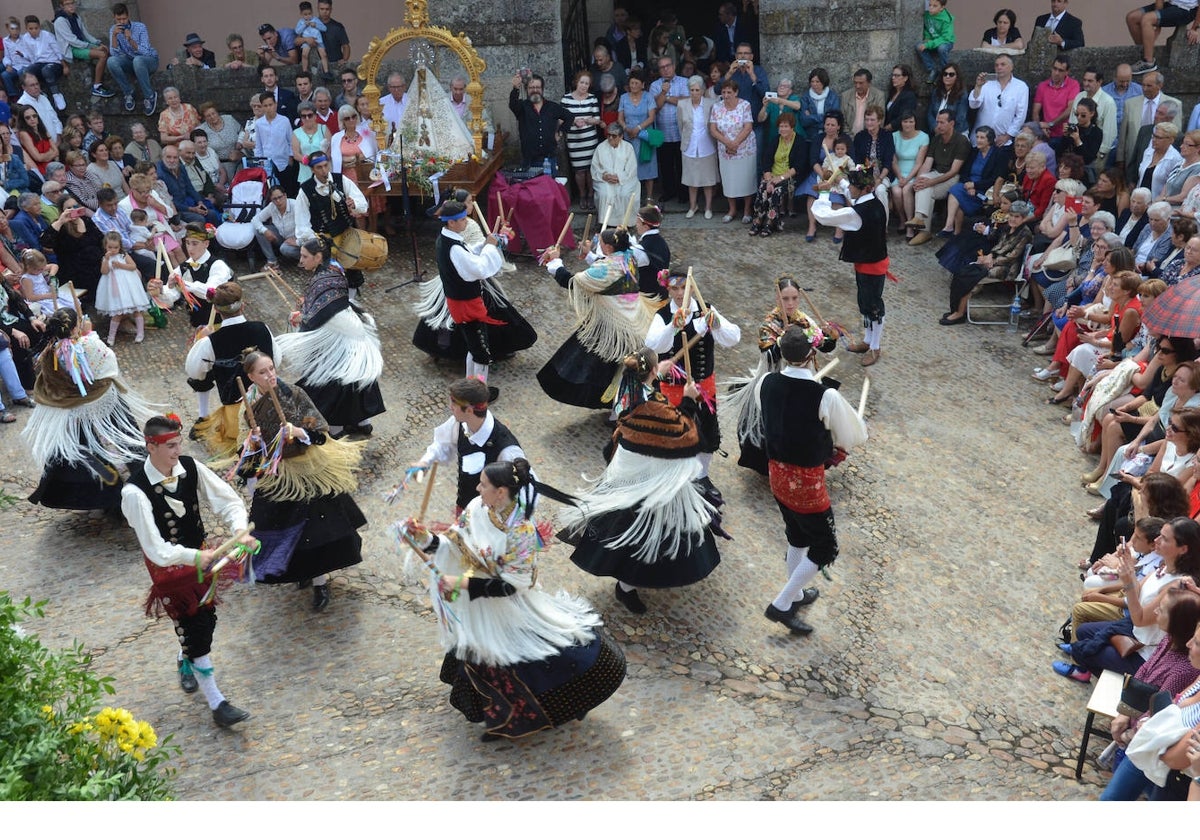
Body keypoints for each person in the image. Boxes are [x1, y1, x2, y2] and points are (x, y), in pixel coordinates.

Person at [404, 458, 626, 742]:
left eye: (484, 485)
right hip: (479, 606)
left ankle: (531, 712)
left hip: (510, 608)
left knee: (532, 660)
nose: (477, 487)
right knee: (489, 662)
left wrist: (459, 583)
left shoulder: (521, 532)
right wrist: (424, 538)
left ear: (501, 492)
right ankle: (497, 711)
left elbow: (511, 586)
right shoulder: (476, 508)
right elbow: (454, 543)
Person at [556, 347, 723, 614]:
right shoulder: (655, 406)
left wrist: (658, 373)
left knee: (629, 528)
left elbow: (648, 399)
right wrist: (689, 400)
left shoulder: (627, 391)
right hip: (649, 478)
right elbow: (685, 435)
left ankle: (629, 583)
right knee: (641, 535)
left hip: (627, 469)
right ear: (653, 370)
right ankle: (627, 586)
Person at [120, 413, 255, 728]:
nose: (176, 451)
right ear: (150, 446)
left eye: (178, 443)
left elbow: (229, 501)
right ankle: (217, 703)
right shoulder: (134, 493)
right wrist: (195, 557)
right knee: (194, 627)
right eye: (169, 446)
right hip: (169, 569)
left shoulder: (191, 468)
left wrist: (239, 530)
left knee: (205, 620)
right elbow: (156, 549)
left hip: (201, 558)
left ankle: (185, 659)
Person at [759, 323, 868, 635]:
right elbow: (853, 435)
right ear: (813, 356)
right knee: (825, 547)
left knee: (797, 535)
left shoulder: (767, 383)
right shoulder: (825, 396)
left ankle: (795, 594)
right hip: (806, 482)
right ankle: (781, 604)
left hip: (777, 475)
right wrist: (834, 444)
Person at [238, 348, 364, 611]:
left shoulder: (294, 394)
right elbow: (246, 454)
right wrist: (254, 442)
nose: (270, 375)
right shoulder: (247, 408)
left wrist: (298, 431)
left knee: (315, 532)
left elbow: (320, 432)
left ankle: (320, 582)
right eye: (263, 372)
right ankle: (301, 571)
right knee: (286, 532)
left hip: (307, 472)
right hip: (278, 477)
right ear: (251, 377)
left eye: (271, 368)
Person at [24, 308, 154, 512]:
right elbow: (109, 364)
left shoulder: (51, 353)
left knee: (89, 455)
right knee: (121, 448)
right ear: (75, 326)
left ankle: (103, 497)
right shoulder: (89, 343)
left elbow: (51, 382)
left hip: (77, 411)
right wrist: (90, 334)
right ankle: (131, 488)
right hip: (105, 406)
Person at [276, 237, 384, 438]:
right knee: (355, 377)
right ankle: (362, 421)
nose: (301, 261)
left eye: (305, 256)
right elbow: (325, 305)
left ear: (318, 257)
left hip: (340, 336)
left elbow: (318, 316)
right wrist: (307, 307)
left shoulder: (321, 280)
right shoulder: (334, 268)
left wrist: (301, 317)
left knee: (331, 382)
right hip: (348, 331)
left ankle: (336, 427)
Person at [538, 229, 651, 410]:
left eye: (601, 244)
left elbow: (574, 282)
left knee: (599, 368)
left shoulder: (606, 269)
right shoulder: (628, 257)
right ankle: (620, 403)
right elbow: (605, 265)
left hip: (614, 326)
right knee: (613, 367)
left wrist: (556, 264)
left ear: (607, 247)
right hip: (630, 318)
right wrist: (590, 255)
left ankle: (621, 407)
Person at [646, 272, 740, 487]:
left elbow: (733, 338)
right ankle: (672, 477)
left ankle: (702, 475)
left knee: (708, 434)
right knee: (674, 435)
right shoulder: (662, 315)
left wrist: (716, 325)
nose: (680, 294)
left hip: (704, 388)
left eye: (683, 288)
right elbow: (653, 345)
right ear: (668, 290)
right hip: (673, 389)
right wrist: (672, 326)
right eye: (674, 289)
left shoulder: (706, 310)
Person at [430, 197, 527, 382]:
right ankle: (478, 392)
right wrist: (490, 247)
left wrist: (483, 245)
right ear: (451, 222)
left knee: (473, 347)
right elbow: (478, 269)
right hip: (467, 305)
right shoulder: (454, 247)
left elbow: (467, 253)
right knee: (481, 352)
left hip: (460, 303)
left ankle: (471, 383)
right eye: (463, 219)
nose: (466, 222)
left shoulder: (446, 239)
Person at [811, 167, 891, 365]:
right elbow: (849, 191)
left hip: (871, 265)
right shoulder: (871, 201)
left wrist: (823, 192)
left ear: (864, 188)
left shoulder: (856, 213)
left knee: (873, 306)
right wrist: (836, 180)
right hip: (870, 262)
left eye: (854, 185)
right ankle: (868, 341)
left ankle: (875, 347)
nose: (851, 188)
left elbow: (823, 216)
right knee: (865, 304)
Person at [413, 377, 527, 515]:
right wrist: (425, 461)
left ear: (468, 410)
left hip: (489, 516)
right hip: (465, 507)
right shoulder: (460, 423)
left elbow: (521, 491)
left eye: (454, 404)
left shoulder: (506, 450)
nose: (450, 407)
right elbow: (442, 444)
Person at [185, 283, 275, 455]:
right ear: (243, 305)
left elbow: (194, 371)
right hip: (270, 402)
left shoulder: (210, 341)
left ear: (217, 311)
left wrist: (200, 340)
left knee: (202, 373)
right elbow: (276, 358)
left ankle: (202, 417)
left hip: (237, 415)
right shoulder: (263, 329)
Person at [939, 199, 1036, 326]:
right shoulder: (1007, 228)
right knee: (961, 272)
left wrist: (992, 260)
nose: (1012, 219)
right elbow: (998, 246)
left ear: (1023, 218)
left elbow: (1012, 256)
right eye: (1011, 215)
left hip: (1008, 268)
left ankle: (959, 313)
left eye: (1016, 217)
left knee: (969, 278)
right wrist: (989, 256)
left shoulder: (1025, 234)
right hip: (994, 261)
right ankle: (956, 309)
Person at [293, 151, 367, 295]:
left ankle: (350, 301)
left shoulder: (341, 180)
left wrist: (354, 204)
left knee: (352, 273)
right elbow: (302, 222)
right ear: (312, 169)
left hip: (346, 236)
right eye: (319, 167)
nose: (324, 170)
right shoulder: (305, 190)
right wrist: (313, 244)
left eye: (326, 166)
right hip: (323, 241)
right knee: (327, 275)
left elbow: (362, 204)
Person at [906, 108, 971, 246]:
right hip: (936, 172)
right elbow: (927, 163)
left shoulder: (961, 141)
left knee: (926, 188)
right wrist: (920, 178)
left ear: (952, 123)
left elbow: (954, 171)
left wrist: (931, 182)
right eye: (937, 122)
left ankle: (922, 227)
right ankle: (921, 225)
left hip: (951, 177)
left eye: (942, 122)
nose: (938, 126)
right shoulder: (936, 139)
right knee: (922, 185)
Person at [939, 126, 1012, 236]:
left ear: (990, 140)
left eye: (982, 138)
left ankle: (950, 227)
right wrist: (969, 185)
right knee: (957, 193)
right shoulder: (973, 152)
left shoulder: (998, 154)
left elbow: (994, 178)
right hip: (967, 187)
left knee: (955, 191)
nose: (978, 140)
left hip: (984, 191)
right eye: (977, 137)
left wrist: (975, 185)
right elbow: (964, 173)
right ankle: (954, 231)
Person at [750, 111, 803, 236]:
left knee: (776, 191)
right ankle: (758, 219)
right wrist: (769, 180)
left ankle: (770, 221)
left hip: (790, 177)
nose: (782, 129)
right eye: (780, 126)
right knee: (763, 189)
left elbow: (798, 167)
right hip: (773, 175)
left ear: (792, 127)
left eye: (785, 126)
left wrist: (779, 179)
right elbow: (766, 160)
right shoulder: (775, 140)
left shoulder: (800, 142)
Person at [710, 80, 756, 223]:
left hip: (745, 149)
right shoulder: (716, 107)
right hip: (725, 150)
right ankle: (732, 209)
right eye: (724, 92)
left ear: (736, 92)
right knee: (729, 180)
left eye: (729, 92)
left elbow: (748, 127)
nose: (726, 95)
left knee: (746, 179)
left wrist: (735, 143)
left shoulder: (745, 105)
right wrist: (728, 143)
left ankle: (747, 210)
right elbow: (713, 129)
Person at [95, 230, 148, 346]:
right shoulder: (105, 258)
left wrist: (121, 265)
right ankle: (111, 336)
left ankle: (140, 333)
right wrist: (107, 260)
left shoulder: (124, 255)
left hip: (128, 286)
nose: (113, 250)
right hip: (114, 288)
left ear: (120, 247)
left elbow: (133, 266)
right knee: (117, 312)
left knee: (137, 310)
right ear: (105, 246)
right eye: (110, 247)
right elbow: (104, 271)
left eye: (116, 247)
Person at [509, 72, 570, 173]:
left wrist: (560, 132)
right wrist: (515, 88)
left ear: (542, 89)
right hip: (529, 161)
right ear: (526, 89)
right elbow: (512, 104)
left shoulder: (552, 107)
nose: (535, 90)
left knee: (550, 187)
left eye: (538, 87)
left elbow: (569, 117)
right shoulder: (522, 107)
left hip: (549, 159)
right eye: (531, 88)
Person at [52, 0, 113, 100]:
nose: (71, 6)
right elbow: (72, 41)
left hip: (80, 44)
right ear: (62, 6)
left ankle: (106, 81)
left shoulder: (76, 17)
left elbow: (85, 34)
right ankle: (97, 86)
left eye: (72, 3)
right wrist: (93, 47)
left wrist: (98, 43)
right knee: (102, 55)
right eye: (67, 4)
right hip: (71, 49)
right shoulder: (60, 21)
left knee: (106, 50)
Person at [107, 3, 159, 117]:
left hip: (149, 61)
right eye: (118, 19)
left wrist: (130, 40)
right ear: (114, 18)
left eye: (124, 18)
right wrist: (114, 37)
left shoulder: (140, 27)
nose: (122, 22)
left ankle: (149, 96)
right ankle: (128, 92)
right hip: (131, 62)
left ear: (128, 16)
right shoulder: (113, 30)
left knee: (138, 60)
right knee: (111, 61)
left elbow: (146, 52)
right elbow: (114, 54)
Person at [650, 55, 689, 204]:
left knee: (681, 164)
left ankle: (683, 193)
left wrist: (666, 98)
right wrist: (664, 93)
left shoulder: (685, 82)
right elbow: (656, 106)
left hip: (681, 131)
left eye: (668, 65)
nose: (666, 69)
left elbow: (687, 101)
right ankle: (668, 191)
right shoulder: (655, 85)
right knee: (665, 165)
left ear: (674, 66)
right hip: (662, 132)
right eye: (662, 67)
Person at [967, 54, 1029, 148]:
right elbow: (973, 105)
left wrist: (1008, 136)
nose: (999, 67)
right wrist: (978, 86)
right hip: (980, 140)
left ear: (1011, 67)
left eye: (1003, 64)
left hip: (1002, 141)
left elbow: (1021, 115)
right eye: (996, 65)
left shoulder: (1021, 87)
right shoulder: (986, 83)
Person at [678, 74, 717, 218]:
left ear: (702, 90)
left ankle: (708, 208)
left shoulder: (710, 104)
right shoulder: (682, 105)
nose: (694, 93)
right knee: (691, 180)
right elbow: (680, 126)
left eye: (697, 90)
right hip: (689, 146)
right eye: (692, 90)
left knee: (708, 180)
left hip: (707, 146)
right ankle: (693, 206)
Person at [562, 70, 602, 211]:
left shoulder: (592, 98)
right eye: (582, 82)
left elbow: (597, 119)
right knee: (579, 171)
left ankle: (591, 195)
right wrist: (573, 122)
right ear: (576, 83)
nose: (584, 86)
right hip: (574, 140)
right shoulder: (566, 99)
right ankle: (582, 195)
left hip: (589, 140)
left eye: (587, 83)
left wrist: (587, 120)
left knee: (590, 170)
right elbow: (562, 120)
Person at [619, 68, 658, 202]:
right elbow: (620, 118)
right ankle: (633, 196)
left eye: (636, 83)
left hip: (645, 135)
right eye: (632, 83)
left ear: (642, 84)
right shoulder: (624, 98)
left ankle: (649, 196)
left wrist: (638, 128)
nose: (633, 86)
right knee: (630, 166)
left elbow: (651, 117)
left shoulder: (648, 97)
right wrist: (626, 128)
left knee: (648, 166)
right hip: (629, 137)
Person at [891, 113, 931, 234]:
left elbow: (919, 162)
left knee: (906, 190)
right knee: (896, 191)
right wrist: (899, 177)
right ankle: (902, 219)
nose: (908, 124)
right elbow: (893, 160)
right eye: (905, 121)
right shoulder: (894, 136)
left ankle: (910, 224)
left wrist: (907, 179)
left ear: (915, 122)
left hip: (914, 172)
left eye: (911, 121)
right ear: (901, 123)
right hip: (898, 171)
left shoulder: (923, 137)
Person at [590, 122, 638, 223]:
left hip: (625, 180)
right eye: (609, 135)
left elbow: (631, 169)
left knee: (624, 194)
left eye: (614, 136)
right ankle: (604, 222)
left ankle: (625, 223)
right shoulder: (600, 147)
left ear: (621, 136)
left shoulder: (628, 148)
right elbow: (595, 167)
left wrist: (619, 178)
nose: (610, 138)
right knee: (604, 194)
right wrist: (604, 176)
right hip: (604, 180)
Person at [251, 186, 300, 271]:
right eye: (274, 199)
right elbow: (255, 219)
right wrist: (265, 231)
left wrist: (298, 240)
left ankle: (304, 258)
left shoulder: (295, 205)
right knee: (258, 230)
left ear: (285, 195)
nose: (278, 201)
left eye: (280, 197)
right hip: (282, 237)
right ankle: (272, 261)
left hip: (298, 239)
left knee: (285, 249)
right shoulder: (271, 206)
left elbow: (307, 225)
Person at [916, 0, 955, 84]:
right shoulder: (927, 15)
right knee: (919, 46)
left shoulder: (946, 19)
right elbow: (927, 29)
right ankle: (932, 69)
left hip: (946, 42)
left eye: (934, 6)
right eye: (930, 5)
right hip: (933, 40)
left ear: (942, 7)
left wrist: (929, 44)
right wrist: (927, 38)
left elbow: (945, 37)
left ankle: (943, 71)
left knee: (942, 48)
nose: (931, 8)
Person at [839, 68, 885, 136]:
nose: (857, 86)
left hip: (869, 136)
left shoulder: (878, 96)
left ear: (869, 83)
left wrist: (864, 138)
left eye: (861, 83)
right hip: (849, 137)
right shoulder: (846, 96)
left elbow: (880, 119)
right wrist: (850, 136)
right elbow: (842, 120)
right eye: (855, 83)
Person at [293, 2, 329, 75]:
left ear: (312, 12)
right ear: (301, 14)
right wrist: (304, 25)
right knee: (304, 54)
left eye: (309, 14)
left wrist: (316, 25)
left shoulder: (315, 19)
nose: (308, 16)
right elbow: (297, 31)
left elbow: (324, 28)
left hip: (318, 39)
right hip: (307, 41)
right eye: (305, 14)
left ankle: (326, 71)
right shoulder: (301, 22)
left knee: (323, 54)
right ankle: (305, 71)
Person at [883, 65, 918, 134]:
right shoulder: (893, 93)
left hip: (900, 132)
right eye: (893, 75)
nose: (893, 78)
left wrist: (887, 128)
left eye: (897, 76)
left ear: (905, 78)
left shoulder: (909, 95)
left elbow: (904, 116)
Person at [315, 1, 350, 66]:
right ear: (317, 9)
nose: (324, 12)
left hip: (335, 65)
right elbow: (297, 41)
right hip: (316, 66)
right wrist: (306, 39)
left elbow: (346, 46)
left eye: (327, 9)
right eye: (322, 9)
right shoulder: (311, 25)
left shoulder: (338, 27)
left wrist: (344, 60)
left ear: (331, 9)